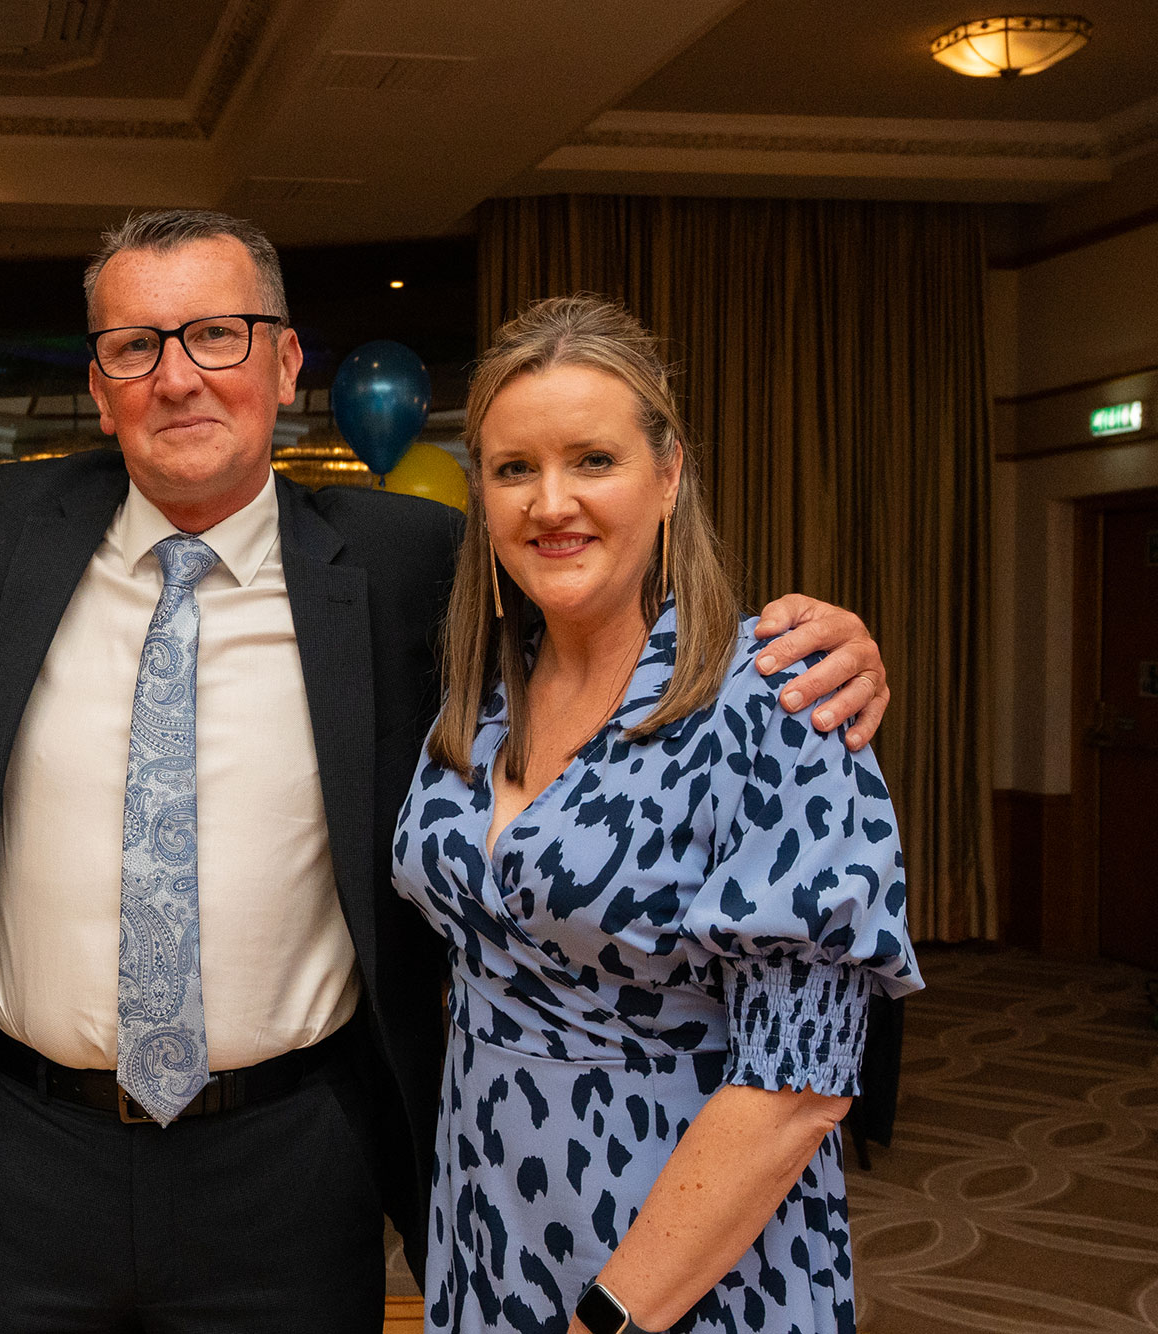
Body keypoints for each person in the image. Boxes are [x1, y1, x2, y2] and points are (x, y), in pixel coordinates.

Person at [0, 212, 893, 1332]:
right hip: (22, 1152)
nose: (177, 376)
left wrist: (814, 639)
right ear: (99, 386)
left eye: (216, 335)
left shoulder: (404, 565)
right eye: (135, 345)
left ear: (284, 364)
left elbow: (592, 581)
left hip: (288, 1160)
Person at [392, 295, 923, 1334]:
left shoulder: (776, 703)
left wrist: (612, 1316)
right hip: (485, 1220)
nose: (551, 502)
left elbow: (799, 1085)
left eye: (592, 460)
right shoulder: (477, 696)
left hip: (684, 1260)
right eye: (513, 468)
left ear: (669, 472)